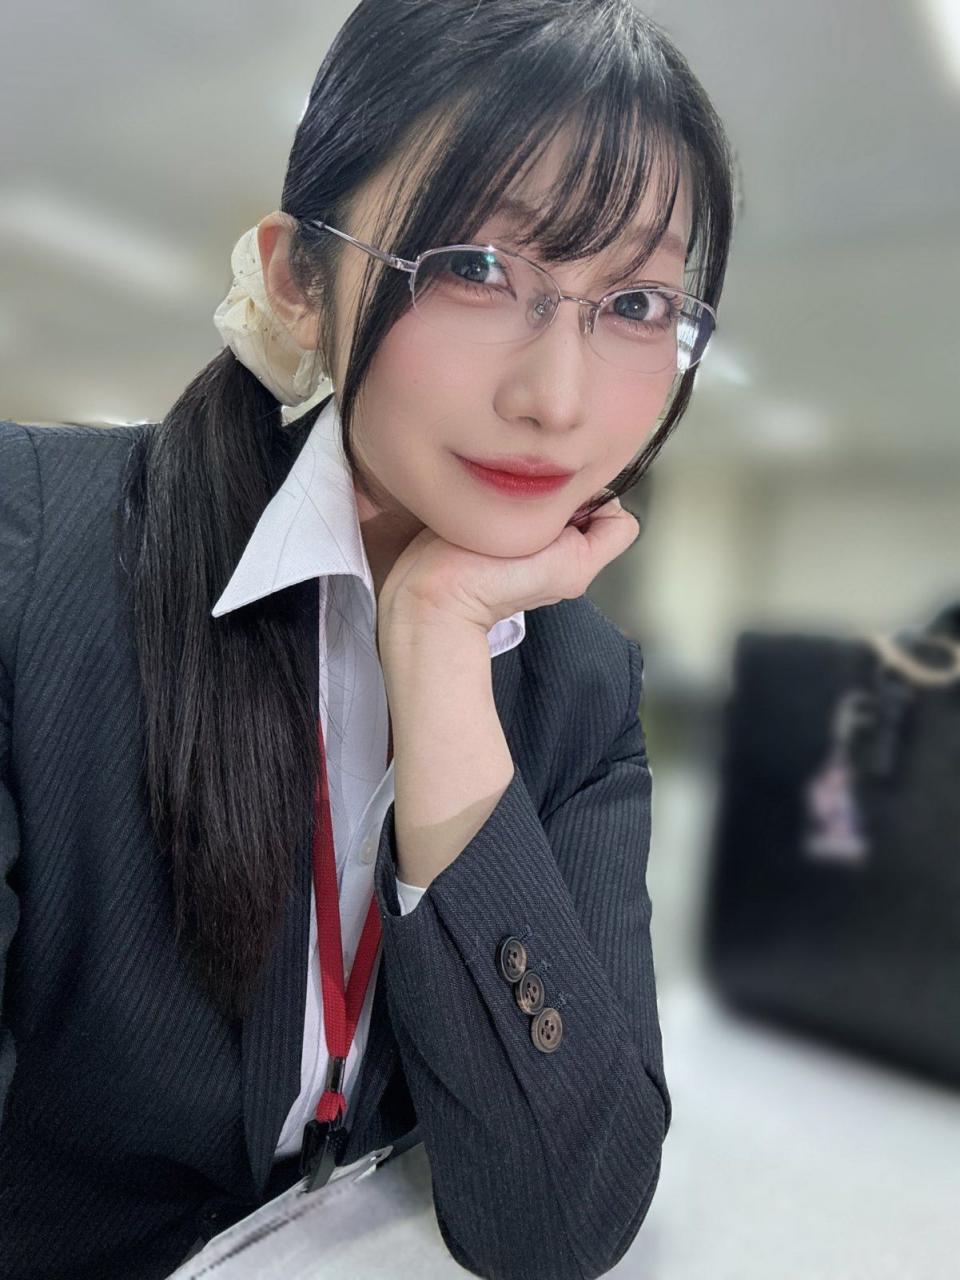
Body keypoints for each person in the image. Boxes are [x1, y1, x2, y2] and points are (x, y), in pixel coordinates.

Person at [0, 1, 737, 1276]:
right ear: (301, 278)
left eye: (634, 300)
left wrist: (440, 641)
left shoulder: (581, 683)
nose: (556, 399)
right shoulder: (27, 549)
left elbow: (558, 1221)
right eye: (474, 267)